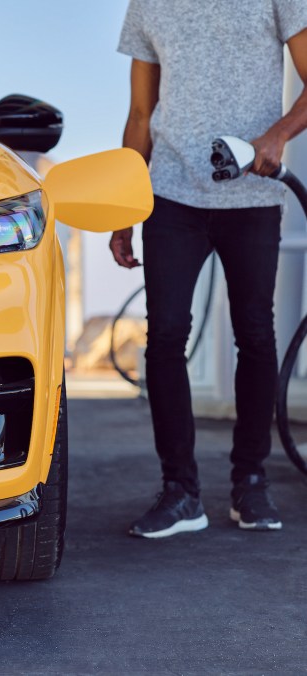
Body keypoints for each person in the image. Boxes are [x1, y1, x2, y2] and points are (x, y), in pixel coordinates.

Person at [113, 0, 307, 538]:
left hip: (252, 193)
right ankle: (180, 492)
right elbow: (139, 115)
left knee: (255, 335)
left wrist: (277, 136)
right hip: (171, 194)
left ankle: (251, 482)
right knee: (167, 335)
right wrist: (123, 209)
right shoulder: (147, 5)